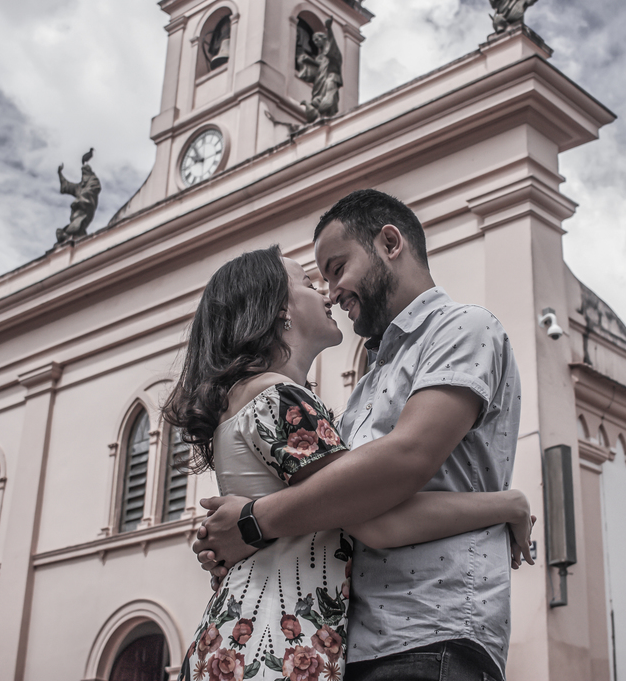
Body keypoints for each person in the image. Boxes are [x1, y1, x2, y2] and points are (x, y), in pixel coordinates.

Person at [193, 190, 523, 681]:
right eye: (315, 280)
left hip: (431, 629)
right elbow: (358, 512)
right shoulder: (343, 390)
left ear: (390, 243)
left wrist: (251, 522)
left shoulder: (462, 328)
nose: (329, 291)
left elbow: (399, 466)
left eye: (336, 268)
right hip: (338, 643)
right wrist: (508, 505)